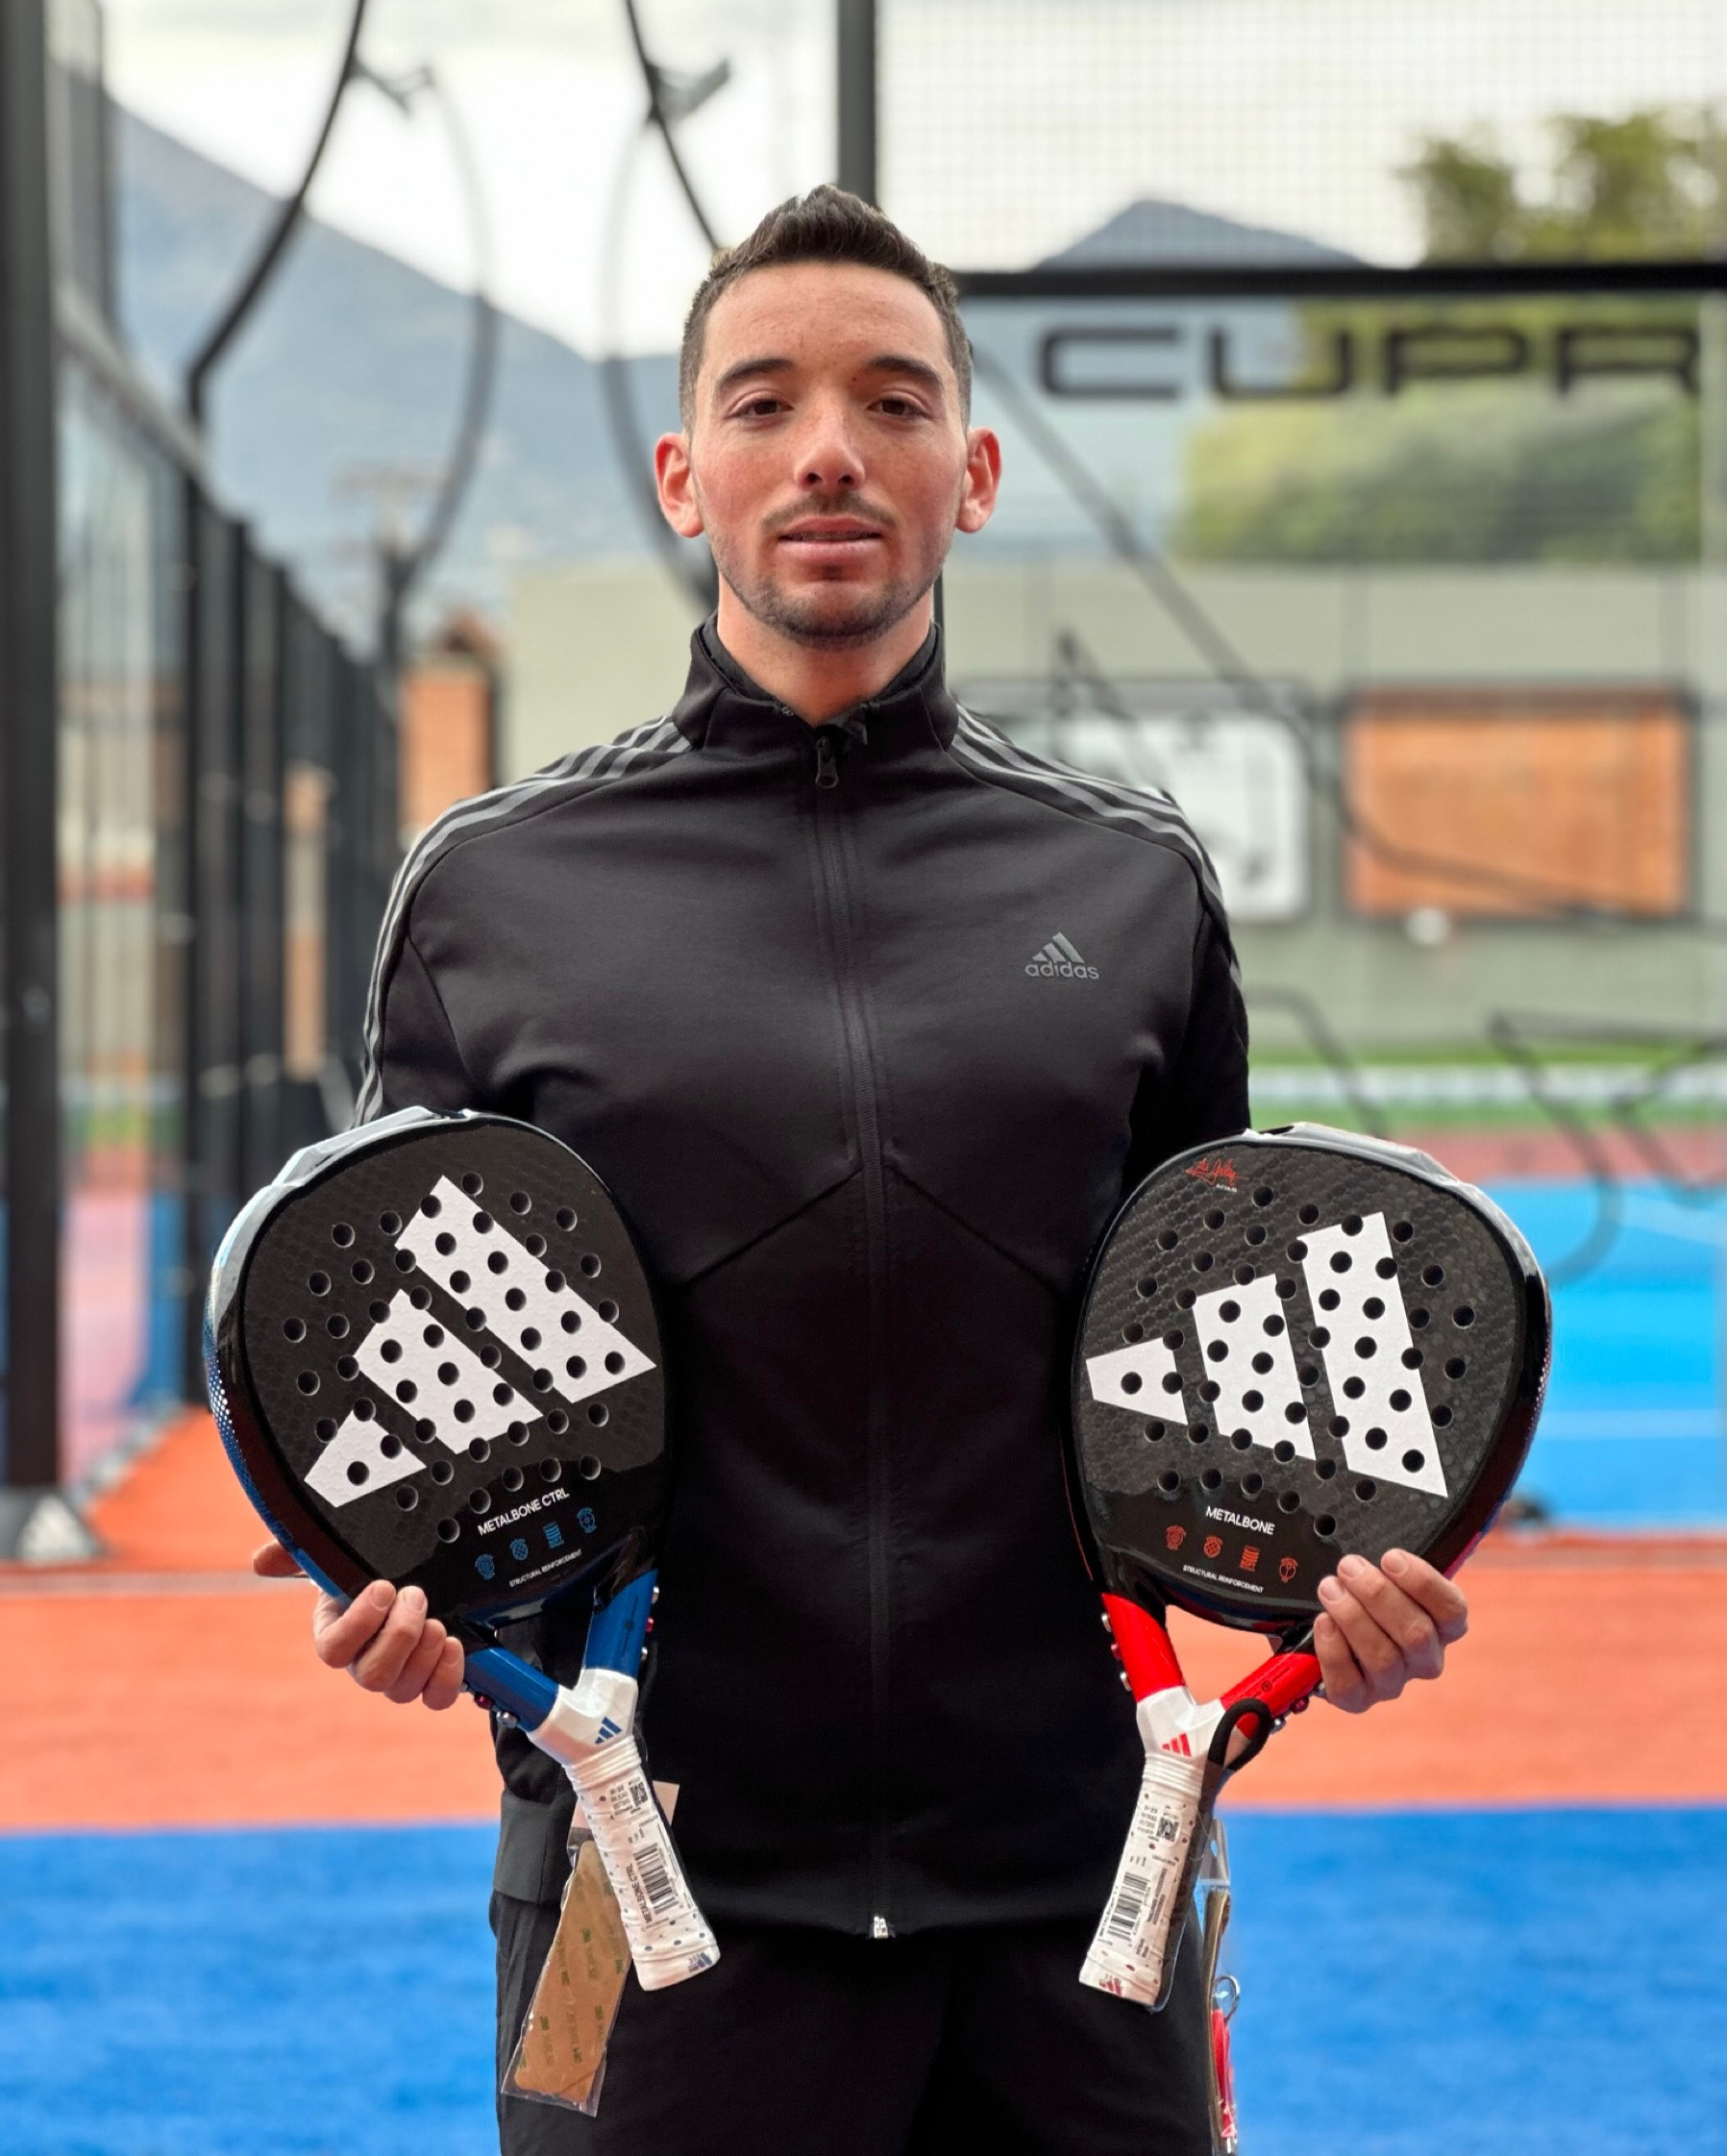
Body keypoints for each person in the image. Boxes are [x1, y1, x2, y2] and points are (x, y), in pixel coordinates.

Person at [254, 187, 1468, 2153]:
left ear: (971, 474)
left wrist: (1334, 1595)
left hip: (1084, 1888)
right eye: (764, 403)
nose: (830, 447)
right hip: (643, 1886)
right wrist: (407, 1591)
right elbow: (429, 1397)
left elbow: (1202, 1390)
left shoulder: (1133, 885)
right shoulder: (488, 892)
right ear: (685, 475)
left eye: (894, 401)